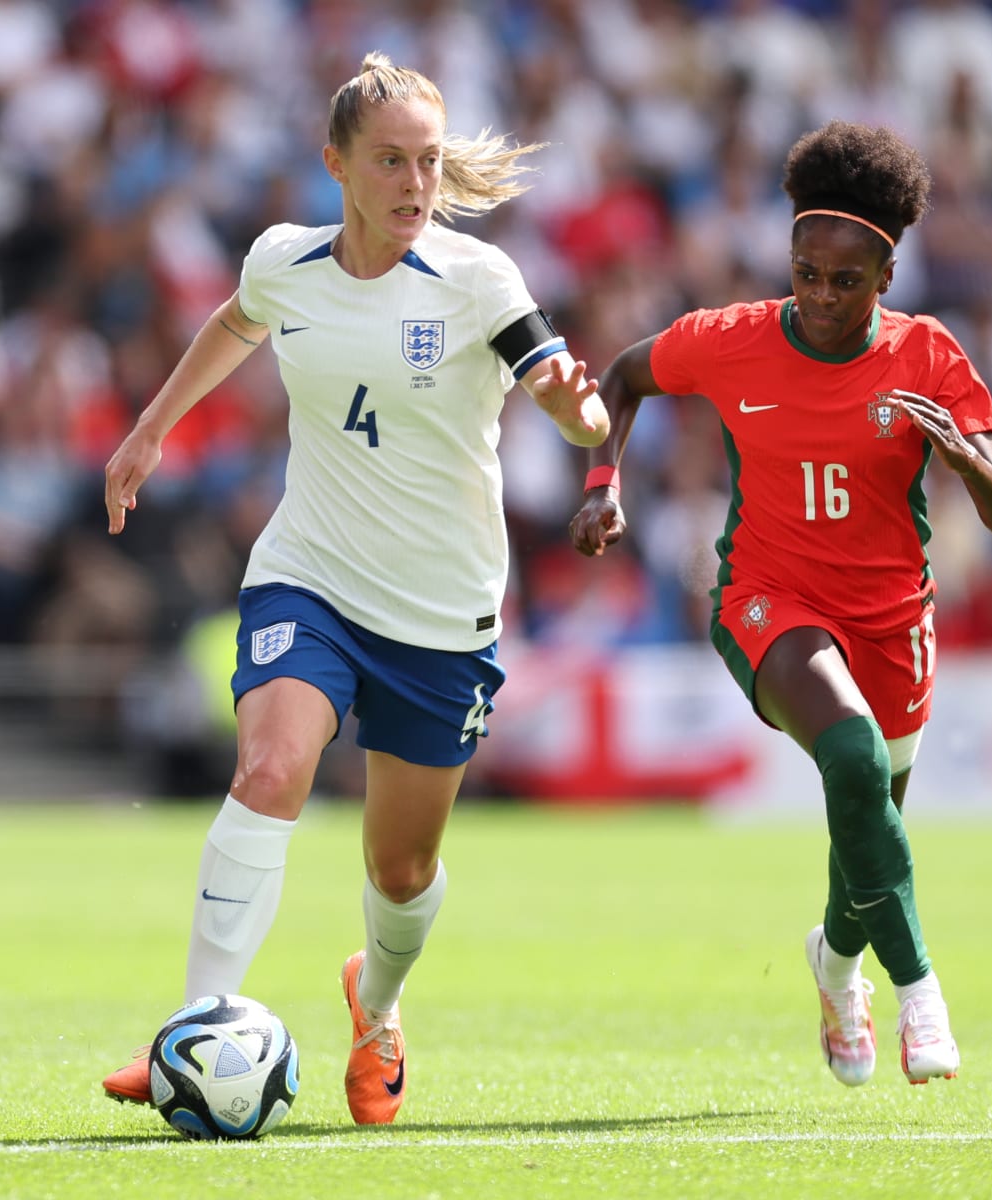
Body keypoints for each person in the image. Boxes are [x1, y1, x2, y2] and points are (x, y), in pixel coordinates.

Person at [98, 52, 608, 1124]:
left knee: (404, 867)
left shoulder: (480, 282)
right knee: (273, 768)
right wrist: (151, 430)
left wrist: (577, 411)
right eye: (390, 162)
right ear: (336, 164)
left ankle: (376, 1008)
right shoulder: (286, 261)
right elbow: (238, 321)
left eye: (427, 162)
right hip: (311, 575)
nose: (415, 185)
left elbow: (567, 398)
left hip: (438, 612)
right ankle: (194, 1029)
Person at [568, 121, 992, 1087]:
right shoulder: (732, 340)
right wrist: (603, 483)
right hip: (766, 602)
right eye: (806, 273)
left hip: (894, 620)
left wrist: (967, 460)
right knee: (852, 755)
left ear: (886, 276)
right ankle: (922, 998)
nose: (820, 297)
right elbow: (620, 375)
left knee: (866, 822)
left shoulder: (929, 358)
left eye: (845, 281)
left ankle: (836, 961)